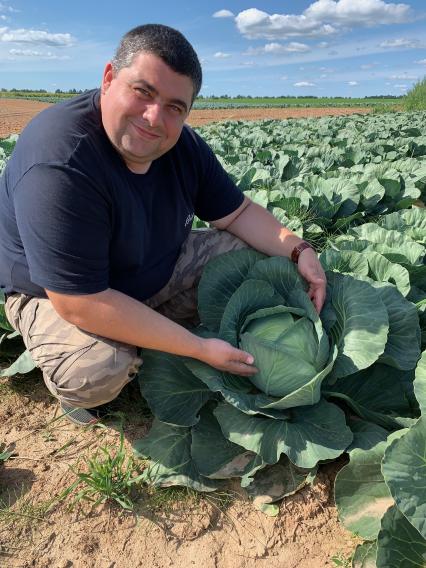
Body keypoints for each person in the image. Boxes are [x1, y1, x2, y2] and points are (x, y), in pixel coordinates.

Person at [0, 24, 326, 425]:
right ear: (108, 79)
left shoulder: (183, 147)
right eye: (143, 92)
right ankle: (100, 362)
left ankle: (148, 331)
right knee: (97, 370)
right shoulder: (61, 159)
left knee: (259, 259)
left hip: (151, 264)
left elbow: (237, 213)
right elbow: (78, 301)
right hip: (58, 295)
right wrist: (198, 348)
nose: (154, 118)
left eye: (175, 106)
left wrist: (299, 248)